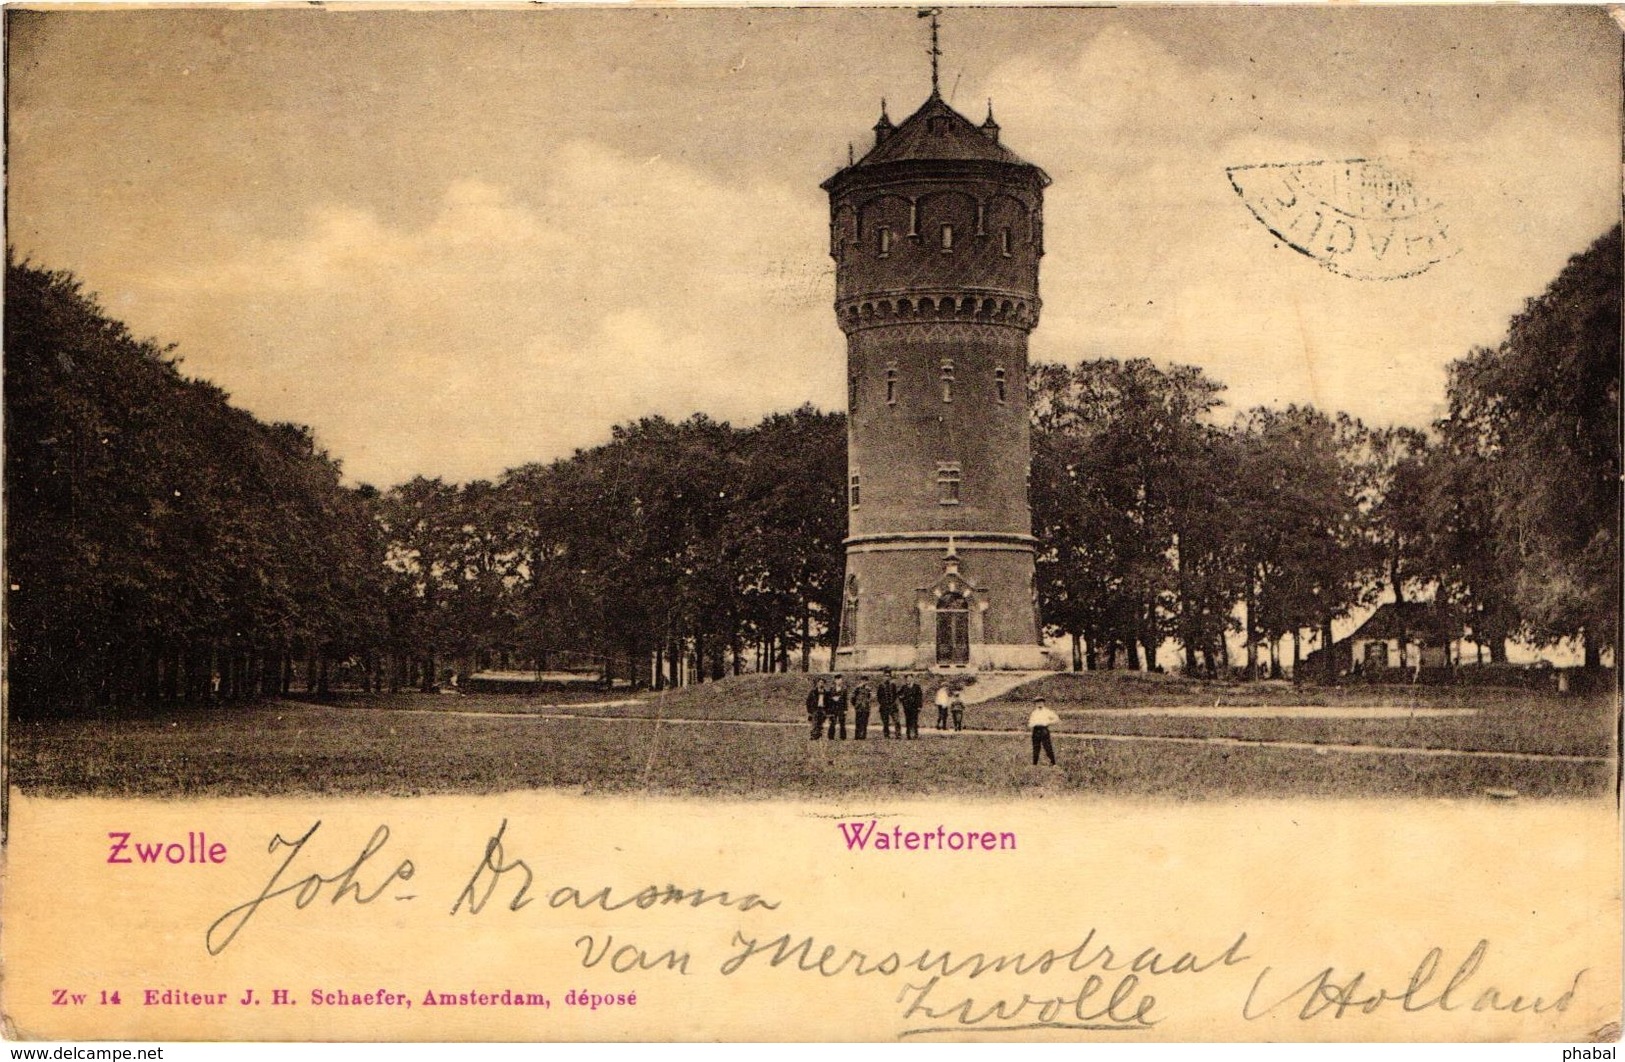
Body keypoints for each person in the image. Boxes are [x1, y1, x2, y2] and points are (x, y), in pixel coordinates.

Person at [1028, 697, 1059, 765]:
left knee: (1047, 747)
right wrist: (1032, 724)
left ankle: (1053, 763)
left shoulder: (1047, 711)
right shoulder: (1034, 713)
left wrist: (1048, 722)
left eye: (1041, 702)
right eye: (1037, 702)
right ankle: (1034, 764)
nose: (1039, 704)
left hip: (1044, 730)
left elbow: (1056, 719)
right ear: (1035, 704)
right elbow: (1030, 723)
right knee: (1036, 747)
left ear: (1043, 703)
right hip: (1035, 730)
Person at [876, 670, 899, 739]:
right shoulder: (881, 686)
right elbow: (878, 696)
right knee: (885, 722)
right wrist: (883, 703)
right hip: (884, 706)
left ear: (890, 677)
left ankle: (898, 734)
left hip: (892, 706)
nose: (887, 677)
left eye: (888, 676)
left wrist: (893, 702)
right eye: (885, 676)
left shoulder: (893, 685)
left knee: (897, 721)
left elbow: (895, 695)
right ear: (883, 677)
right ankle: (886, 735)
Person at [826, 675, 849, 740]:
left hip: (841, 708)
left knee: (842, 723)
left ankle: (843, 737)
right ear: (835, 680)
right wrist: (833, 698)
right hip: (833, 708)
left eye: (841, 680)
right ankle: (831, 737)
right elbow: (828, 698)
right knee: (832, 723)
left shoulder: (844, 689)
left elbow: (845, 700)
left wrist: (845, 709)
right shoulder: (831, 688)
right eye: (838, 680)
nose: (840, 681)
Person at [851, 676, 873, 740]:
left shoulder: (869, 689)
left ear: (867, 681)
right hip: (859, 708)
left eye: (865, 681)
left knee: (864, 722)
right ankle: (857, 736)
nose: (864, 682)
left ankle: (863, 736)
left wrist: (868, 703)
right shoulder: (857, 688)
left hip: (866, 708)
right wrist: (856, 705)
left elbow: (870, 698)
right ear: (861, 681)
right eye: (863, 680)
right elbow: (852, 697)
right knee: (858, 722)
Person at [901, 675, 923, 739]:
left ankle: (915, 734)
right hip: (907, 707)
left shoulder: (917, 687)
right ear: (906, 680)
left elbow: (919, 697)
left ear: (912, 679)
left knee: (915, 721)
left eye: (910, 678)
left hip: (915, 707)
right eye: (907, 678)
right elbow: (899, 694)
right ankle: (908, 735)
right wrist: (902, 699)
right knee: (908, 720)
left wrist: (919, 706)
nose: (909, 680)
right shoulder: (904, 687)